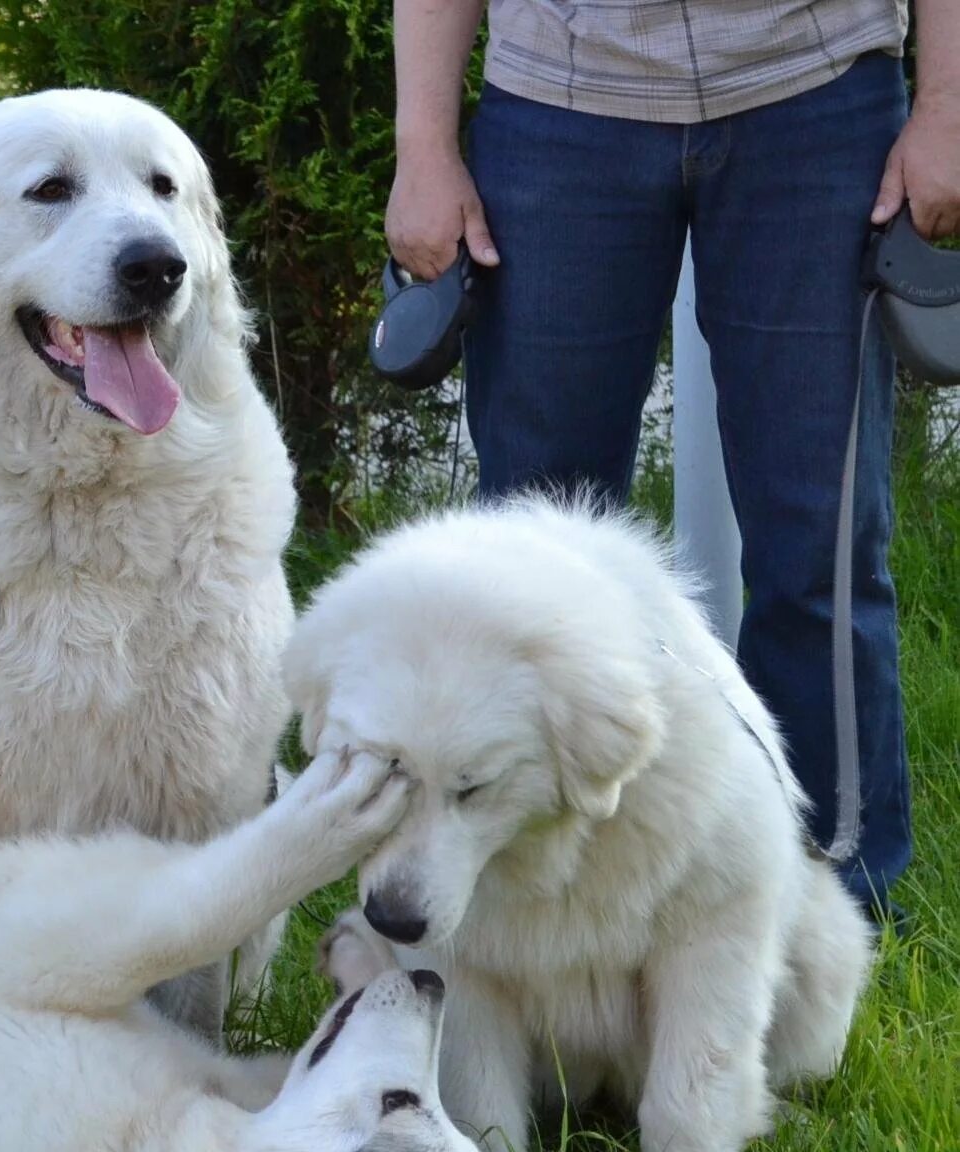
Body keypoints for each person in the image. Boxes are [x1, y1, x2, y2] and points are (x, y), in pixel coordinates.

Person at [387, 0, 960, 920]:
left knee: (820, 550)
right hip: (556, 105)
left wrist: (948, 105)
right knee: (532, 565)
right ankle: (535, 901)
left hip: (812, 92)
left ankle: (836, 903)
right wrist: (422, 146)